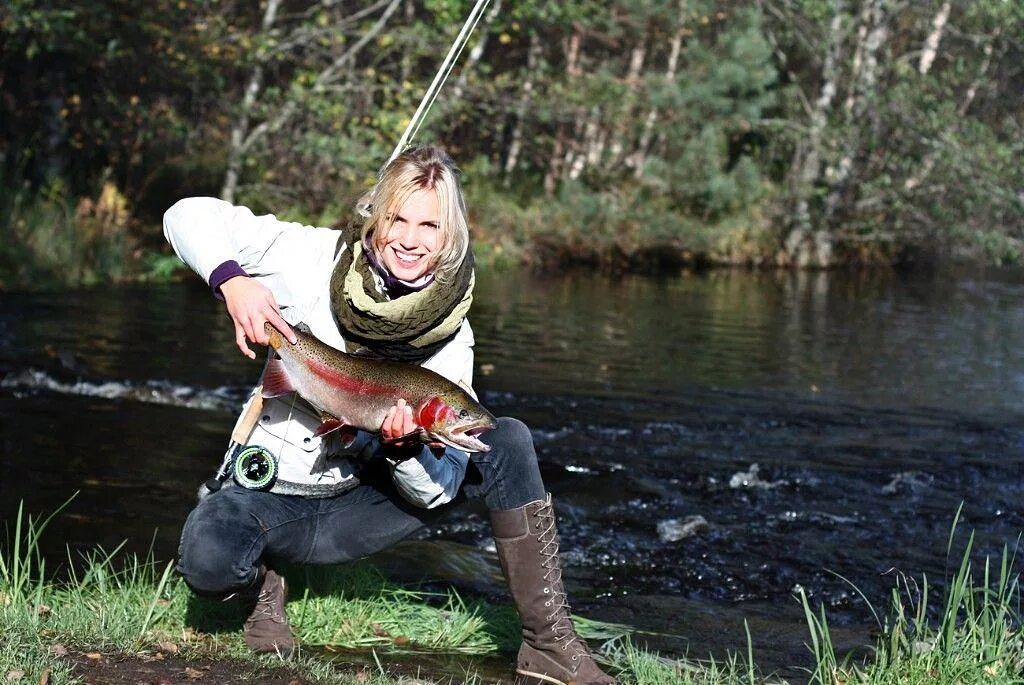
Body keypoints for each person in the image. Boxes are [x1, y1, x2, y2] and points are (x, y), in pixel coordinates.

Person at [164, 145, 615, 685]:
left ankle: (548, 644)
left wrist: (403, 448)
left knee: (508, 439)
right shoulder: (310, 256)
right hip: (278, 492)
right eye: (397, 218)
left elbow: (436, 492)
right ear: (375, 218)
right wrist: (232, 281)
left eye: (429, 225)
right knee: (207, 561)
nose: (409, 238)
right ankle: (265, 588)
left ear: (450, 236)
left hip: (358, 513)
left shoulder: (452, 336)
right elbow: (184, 215)